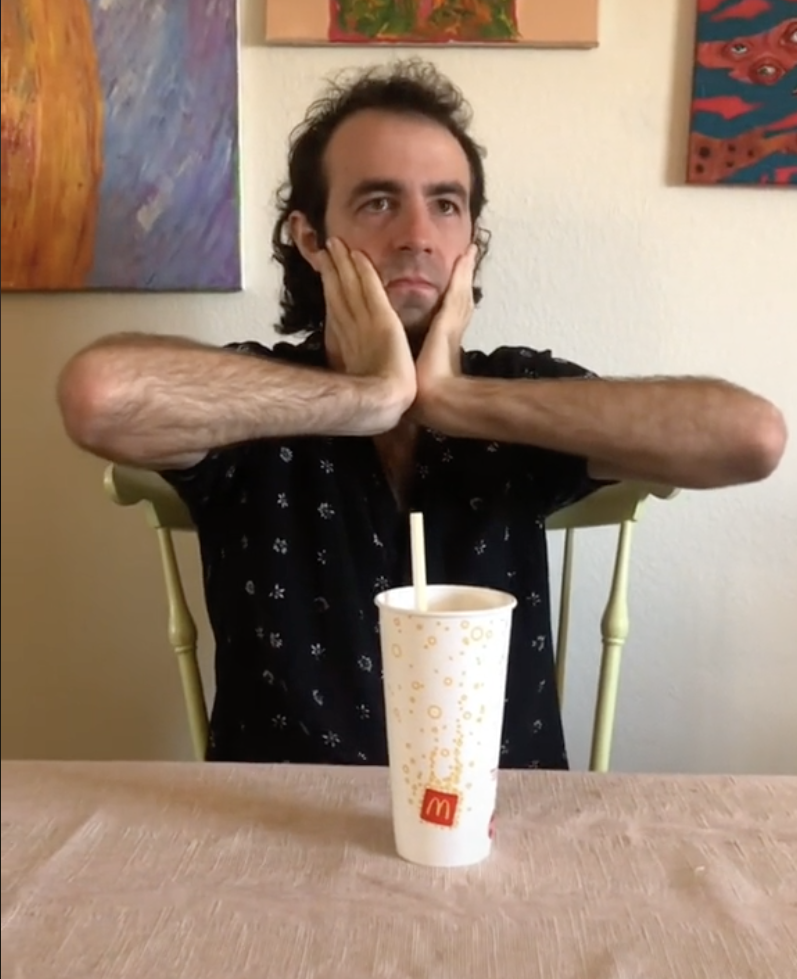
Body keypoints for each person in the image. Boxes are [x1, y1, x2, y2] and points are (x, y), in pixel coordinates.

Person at [57, 59, 787, 769]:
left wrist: (454, 399)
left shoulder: (517, 393)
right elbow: (99, 397)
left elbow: (750, 438)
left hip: (507, 832)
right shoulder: (252, 393)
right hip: (278, 835)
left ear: (470, 242)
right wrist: (368, 397)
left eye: (445, 203)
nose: (417, 234)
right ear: (311, 239)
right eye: (378, 201)